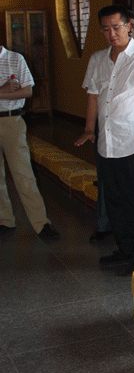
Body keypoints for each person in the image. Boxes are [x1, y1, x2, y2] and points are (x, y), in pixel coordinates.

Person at [75, 5, 134, 275]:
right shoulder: (97, 59)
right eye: (105, 28)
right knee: (115, 202)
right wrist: (90, 128)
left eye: (116, 27)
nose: (111, 33)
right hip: (107, 143)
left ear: (129, 26)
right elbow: (93, 95)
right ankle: (125, 249)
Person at [0, 46, 59, 240]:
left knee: (23, 174)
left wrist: (4, 94)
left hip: (11, 121)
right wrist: (4, 90)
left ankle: (41, 224)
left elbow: (27, 91)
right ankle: (4, 221)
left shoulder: (15, 59)